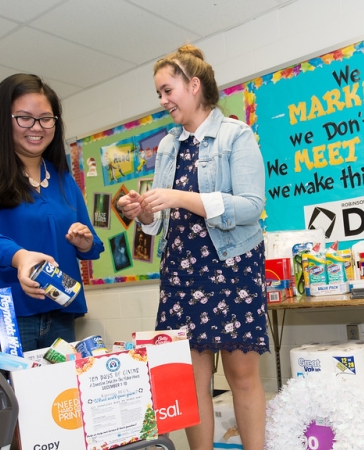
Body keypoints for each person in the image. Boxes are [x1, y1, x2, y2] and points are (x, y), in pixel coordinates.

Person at [117, 45, 268, 450]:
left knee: (242, 377)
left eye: (168, 91)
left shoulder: (237, 136)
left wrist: (179, 197)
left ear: (194, 85)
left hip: (231, 266)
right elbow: (158, 223)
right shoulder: (168, 146)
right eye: (159, 94)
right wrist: (142, 212)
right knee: (189, 383)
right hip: (181, 273)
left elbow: (252, 207)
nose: (163, 101)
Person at [0, 73, 104, 415]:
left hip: (58, 315)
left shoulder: (63, 178)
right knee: (13, 424)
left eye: (46, 118)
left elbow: (92, 244)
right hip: (0, 319)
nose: (36, 127)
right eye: (24, 117)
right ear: (3, 121)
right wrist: (19, 257)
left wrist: (84, 242)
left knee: (60, 417)